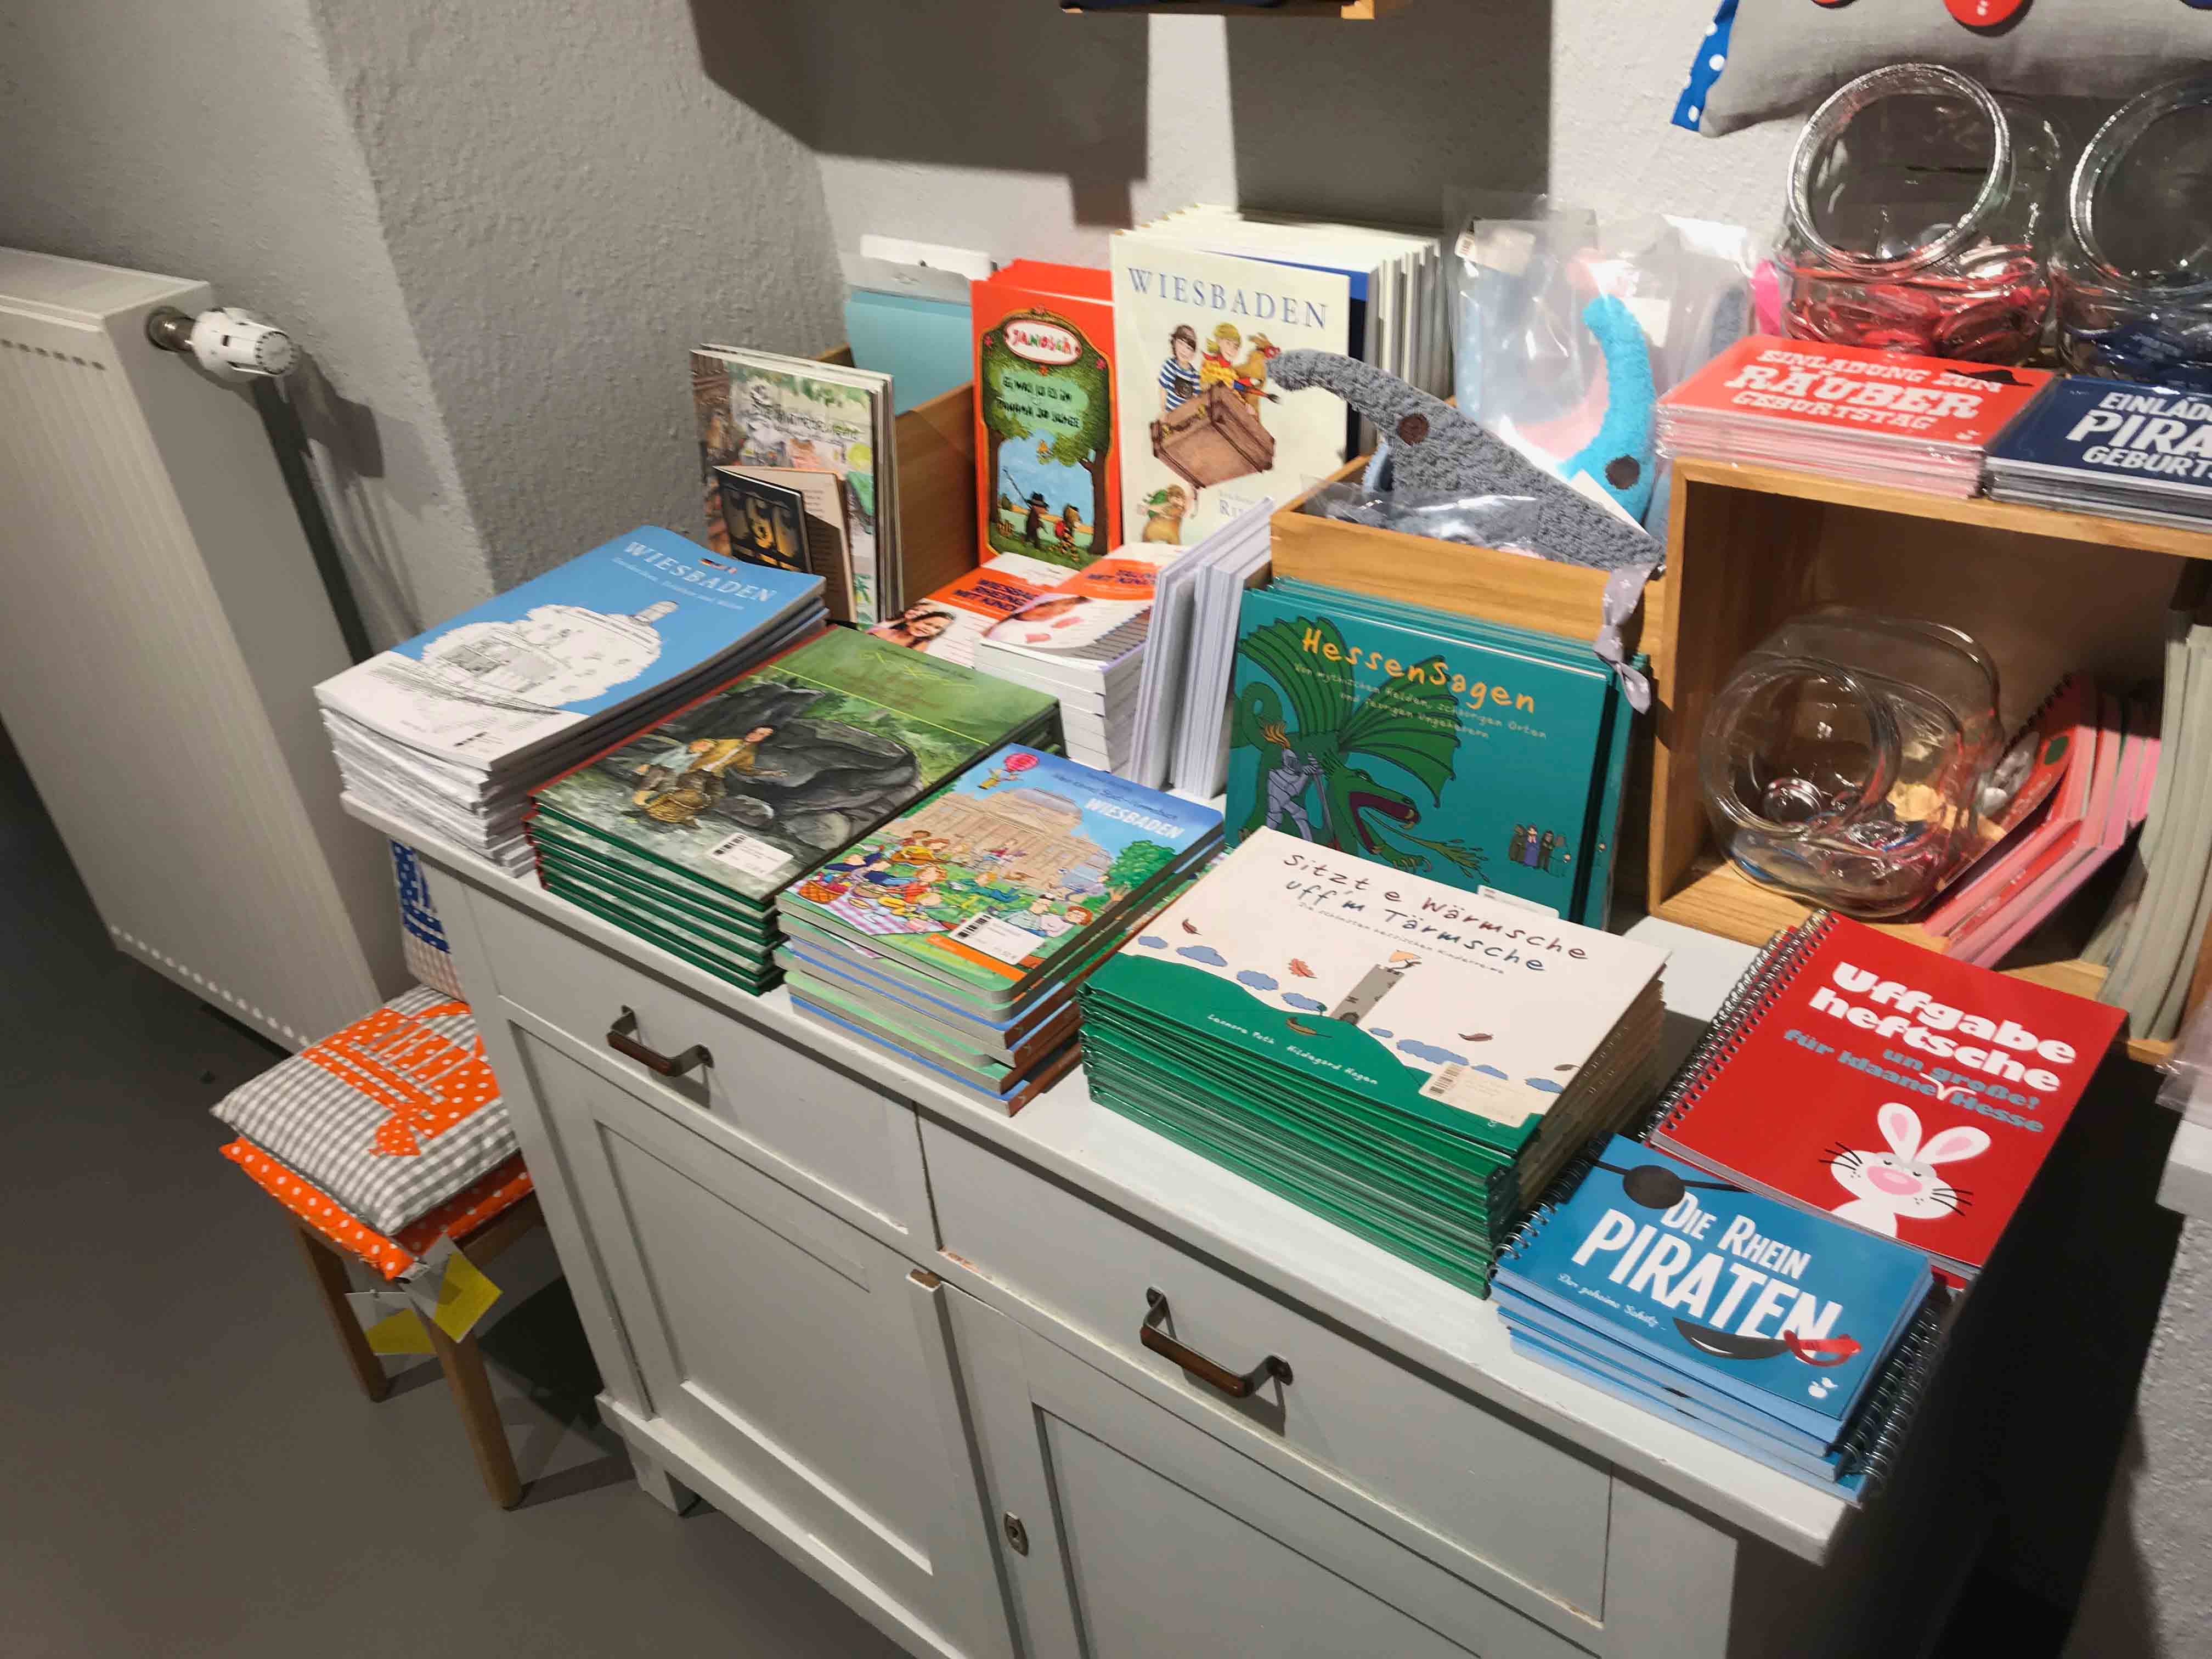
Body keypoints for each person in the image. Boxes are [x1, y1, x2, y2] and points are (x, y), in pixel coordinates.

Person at [1156, 324, 1201, 416]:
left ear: (1193, 353)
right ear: (1174, 343)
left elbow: (1195, 399)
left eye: (1189, 348)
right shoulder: (1170, 365)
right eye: (1181, 343)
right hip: (1169, 413)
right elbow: (1163, 389)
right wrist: (1163, 411)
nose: (1184, 350)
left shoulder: (1195, 375)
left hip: (1185, 416)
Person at [871, 606, 955, 650]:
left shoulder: (921, 646)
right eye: (927, 624)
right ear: (911, 622)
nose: (928, 629)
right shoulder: (882, 632)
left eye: (937, 628)